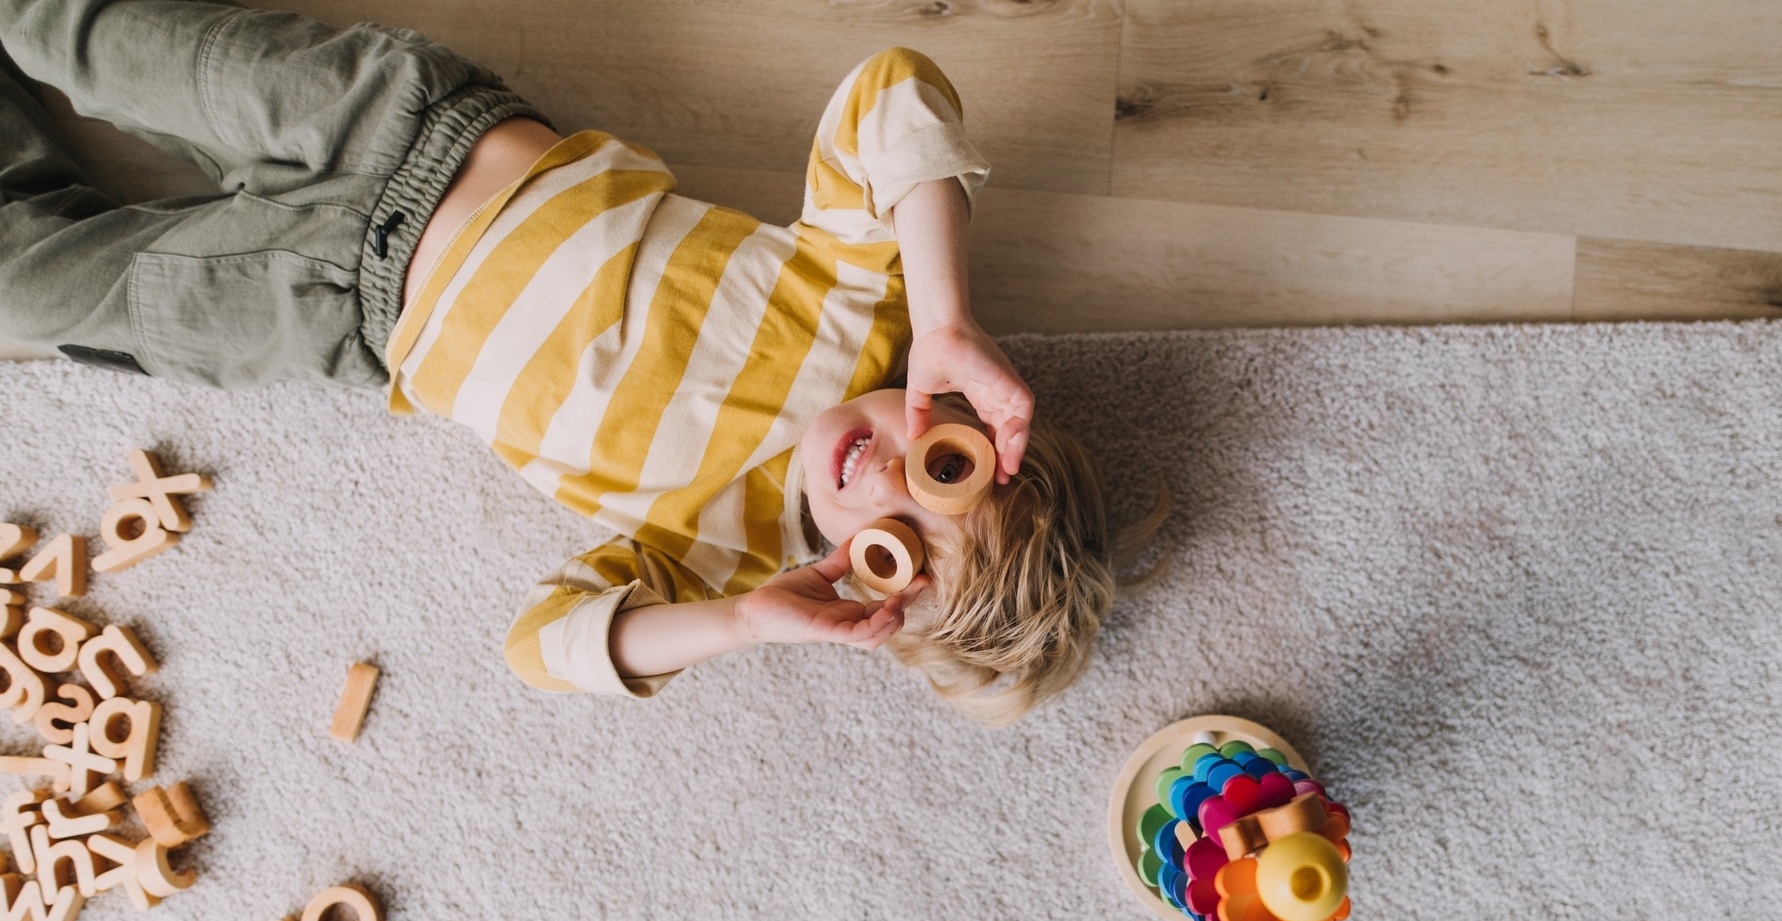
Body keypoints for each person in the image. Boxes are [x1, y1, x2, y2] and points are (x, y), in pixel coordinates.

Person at [0, 2, 1162, 723]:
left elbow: (545, 644)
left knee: (24, 278)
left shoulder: (723, 548)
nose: (883, 476)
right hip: (408, 128)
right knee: (71, 26)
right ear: (973, 419)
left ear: (861, 582)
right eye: (942, 466)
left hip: (326, 308)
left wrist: (741, 628)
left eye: (895, 539)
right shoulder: (874, 305)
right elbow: (896, 87)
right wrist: (949, 311)